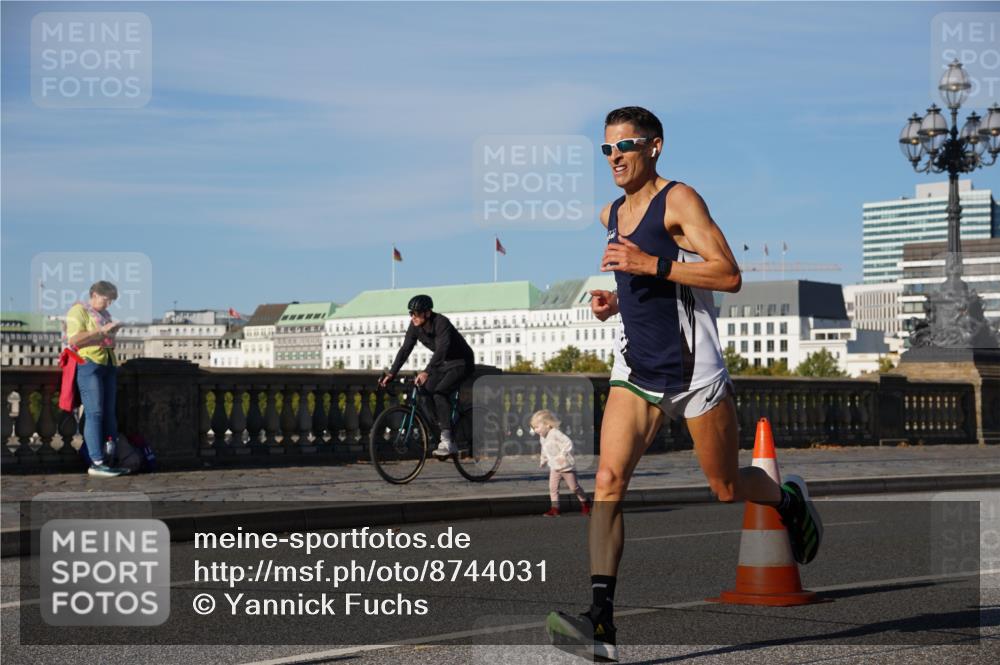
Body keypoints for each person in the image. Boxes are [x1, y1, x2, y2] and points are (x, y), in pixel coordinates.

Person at [545, 107, 822, 662]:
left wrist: (653, 264)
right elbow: (638, 284)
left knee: (723, 486)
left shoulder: (680, 200)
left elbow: (729, 274)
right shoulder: (611, 213)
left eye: (625, 145)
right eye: (607, 149)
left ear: (655, 147)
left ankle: (785, 496)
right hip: (637, 370)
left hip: (694, 373)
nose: (615, 156)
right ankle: (602, 622)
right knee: (606, 481)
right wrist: (613, 302)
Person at [379, 294, 475, 458]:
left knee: (439, 392)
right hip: (443, 364)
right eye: (411, 313)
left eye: (416, 313)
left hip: (461, 362)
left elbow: (441, 350)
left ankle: (447, 440)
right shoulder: (414, 326)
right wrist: (391, 373)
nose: (413, 317)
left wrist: (426, 372)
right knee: (424, 392)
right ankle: (442, 428)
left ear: (427, 313)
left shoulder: (441, 323)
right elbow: (405, 350)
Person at [66, 281, 130, 478]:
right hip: (89, 363)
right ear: (94, 294)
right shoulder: (78, 311)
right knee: (94, 412)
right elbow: (74, 339)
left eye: (111, 300)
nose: (108, 303)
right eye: (106, 299)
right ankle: (96, 461)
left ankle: (109, 459)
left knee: (109, 413)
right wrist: (100, 331)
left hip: (108, 364)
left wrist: (112, 332)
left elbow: (106, 341)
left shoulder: (105, 315)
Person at [532, 409, 591, 517]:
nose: (535, 430)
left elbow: (568, 443)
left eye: (537, 427)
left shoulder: (555, 433)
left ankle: (585, 502)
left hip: (566, 466)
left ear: (547, 425)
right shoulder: (542, 437)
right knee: (553, 488)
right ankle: (555, 509)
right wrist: (543, 460)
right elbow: (544, 449)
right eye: (534, 427)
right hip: (554, 467)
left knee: (574, 487)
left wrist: (562, 455)